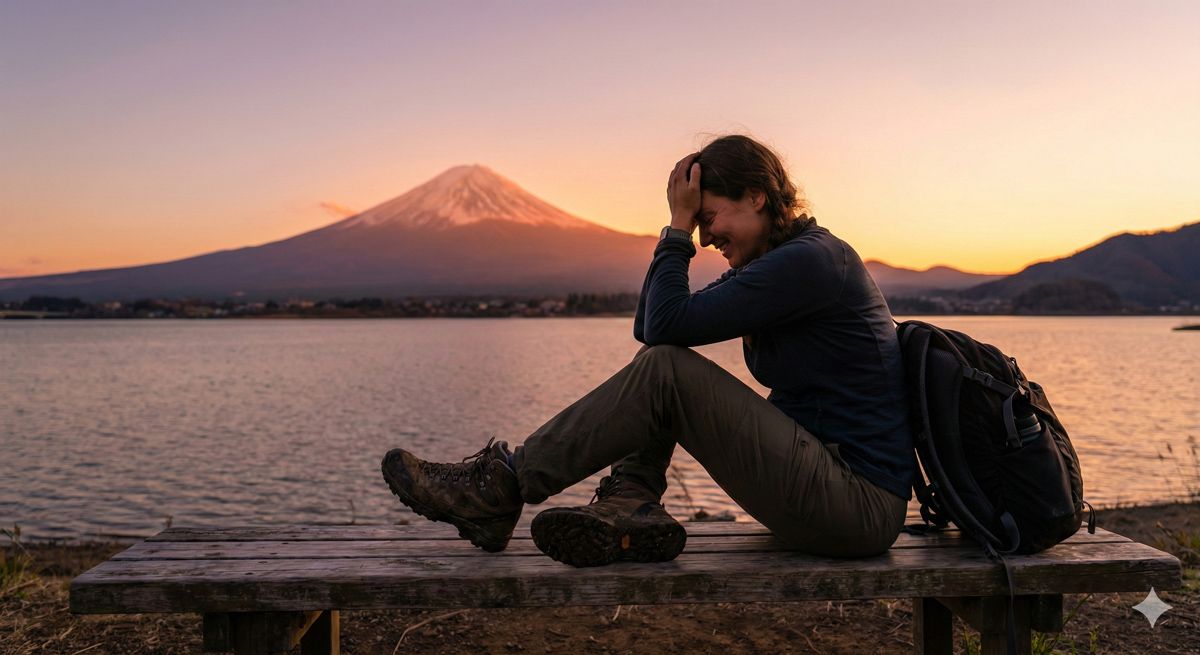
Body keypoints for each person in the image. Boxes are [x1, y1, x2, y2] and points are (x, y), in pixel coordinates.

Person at [381, 134, 915, 567]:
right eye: (697, 224)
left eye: (708, 217)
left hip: (856, 505)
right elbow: (654, 327)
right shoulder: (777, 267)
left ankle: (500, 487)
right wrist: (678, 231)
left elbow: (662, 329)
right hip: (826, 492)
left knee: (667, 372)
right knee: (660, 365)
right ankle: (630, 500)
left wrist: (676, 226)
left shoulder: (812, 262)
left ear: (757, 195)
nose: (705, 239)